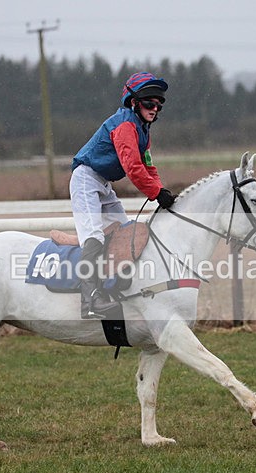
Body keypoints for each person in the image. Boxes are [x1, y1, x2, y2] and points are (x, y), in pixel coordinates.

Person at [70, 71, 177, 319]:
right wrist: (155, 192)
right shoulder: (125, 125)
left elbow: (148, 166)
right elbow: (133, 167)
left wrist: (161, 190)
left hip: (104, 183)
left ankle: (116, 284)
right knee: (94, 237)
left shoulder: (142, 129)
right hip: (86, 179)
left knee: (126, 233)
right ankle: (89, 302)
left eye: (159, 104)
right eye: (150, 103)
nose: (155, 108)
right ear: (133, 102)